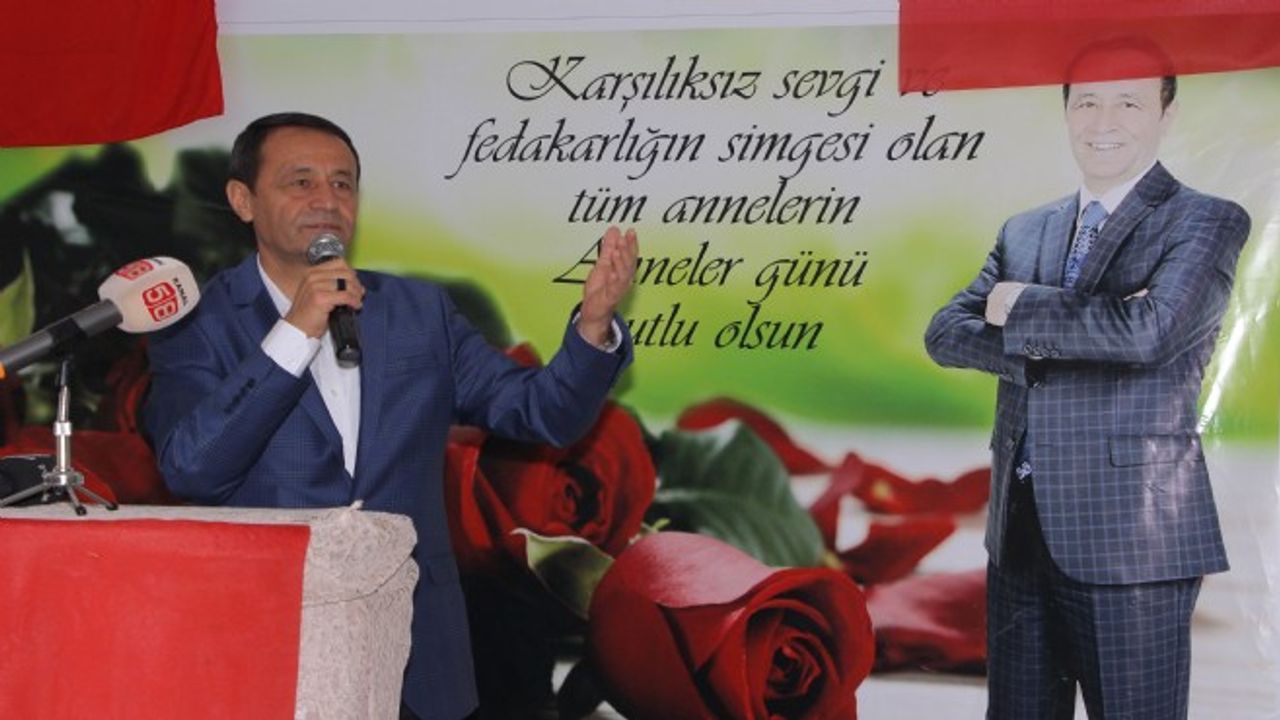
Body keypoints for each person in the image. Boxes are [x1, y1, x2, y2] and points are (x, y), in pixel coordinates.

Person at [143, 112, 639, 720]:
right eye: (301, 182)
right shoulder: (198, 323)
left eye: (343, 183)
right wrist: (295, 333)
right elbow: (192, 468)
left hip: (419, 653)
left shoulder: (416, 312)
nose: (327, 200)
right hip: (271, 644)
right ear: (242, 200)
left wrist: (593, 328)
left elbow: (541, 413)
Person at [924, 41, 1251, 719]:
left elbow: (1149, 334)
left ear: (1167, 113)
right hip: (1019, 533)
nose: (1104, 122)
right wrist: (1069, 339)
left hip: (1132, 538)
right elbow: (945, 333)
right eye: (1088, 103)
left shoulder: (1205, 219)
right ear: (1067, 112)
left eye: (1128, 103)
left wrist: (1020, 305)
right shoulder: (1026, 229)